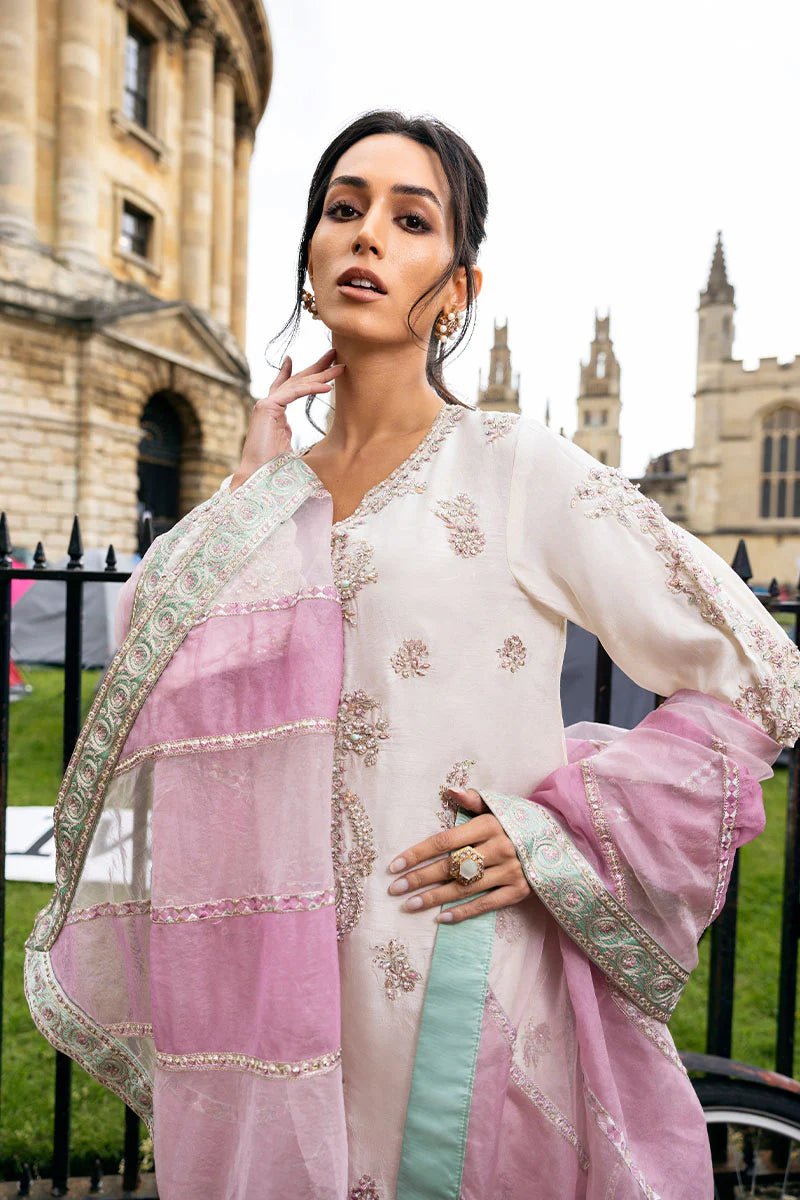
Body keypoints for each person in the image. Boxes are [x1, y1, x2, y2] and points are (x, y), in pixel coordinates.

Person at [24, 110, 800, 1200]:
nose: (366, 236)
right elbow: (158, 690)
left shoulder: (514, 468)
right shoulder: (264, 500)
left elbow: (756, 674)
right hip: (273, 1004)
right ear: (308, 254)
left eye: (409, 217)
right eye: (343, 210)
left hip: (454, 981)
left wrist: (548, 837)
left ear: (460, 286)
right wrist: (249, 490)